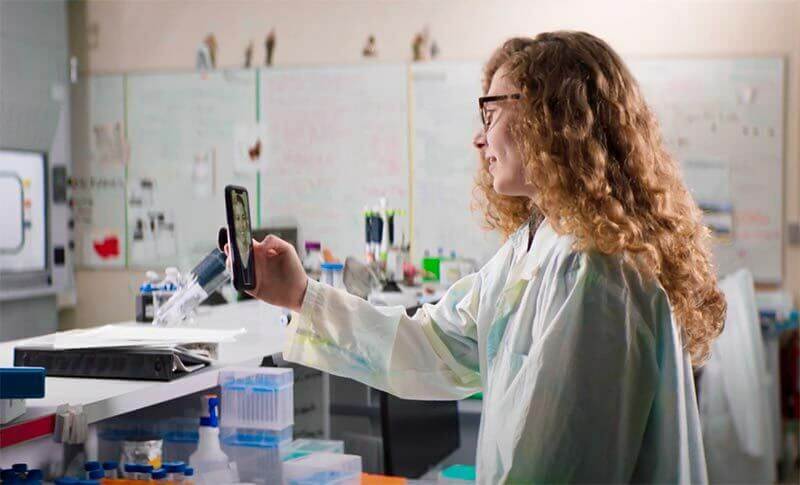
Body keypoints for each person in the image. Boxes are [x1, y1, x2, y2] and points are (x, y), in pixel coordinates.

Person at [229, 31, 726, 483]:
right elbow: (433, 346)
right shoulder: (536, 246)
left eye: (490, 113)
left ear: (551, 119)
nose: (479, 137)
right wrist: (299, 294)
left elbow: (559, 470)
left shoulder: (595, 272)